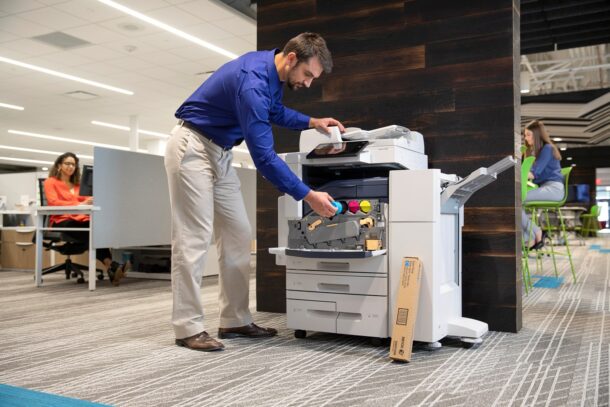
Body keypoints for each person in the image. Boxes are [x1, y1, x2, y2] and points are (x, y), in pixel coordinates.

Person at [165, 32, 345, 352]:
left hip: (218, 152)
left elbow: (274, 112)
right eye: (307, 75)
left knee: (238, 232)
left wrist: (312, 121)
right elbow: (264, 157)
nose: (307, 83)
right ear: (291, 58)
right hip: (192, 147)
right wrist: (307, 194)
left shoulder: (270, 69)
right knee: (194, 236)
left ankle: (234, 319)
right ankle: (187, 327)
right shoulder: (253, 83)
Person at [44, 152, 128, 286]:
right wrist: (79, 204)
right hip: (61, 221)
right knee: (91, 232)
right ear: (59, 165)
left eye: (73, 164)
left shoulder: (77, 185)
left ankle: (111, 267)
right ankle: (111, 265)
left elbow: (84, 199)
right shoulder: (51, 182)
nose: (71, 167)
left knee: (96, 228)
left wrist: (92, 199)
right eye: (67, 163)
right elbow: (54, 202)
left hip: (80, 219)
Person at [522, 120, 564, 250]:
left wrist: (517, 170)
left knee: (514, 201)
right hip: (547, 188)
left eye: (528, 135)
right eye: (525, 135)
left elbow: (534, 174)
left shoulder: (547, 148)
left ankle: (534, 234)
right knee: (516, 203)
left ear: (536, 135)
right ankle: (532, 236)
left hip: (554, 189)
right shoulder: (538, 152)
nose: (525, 138)